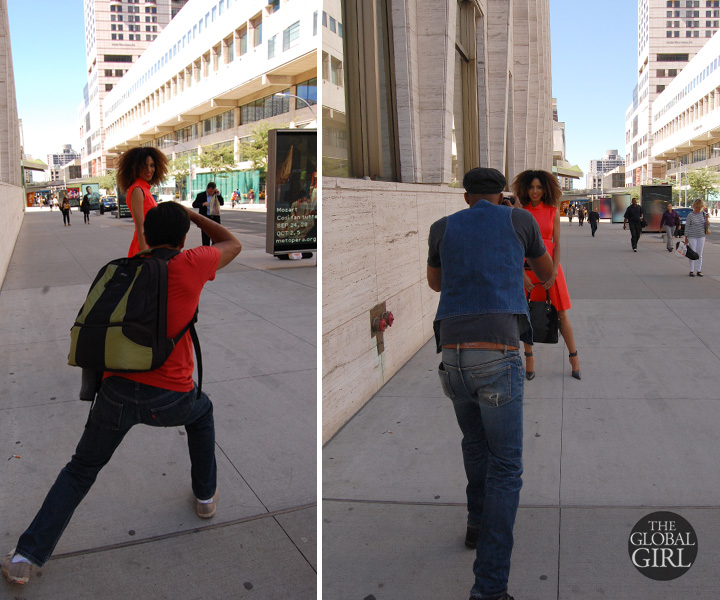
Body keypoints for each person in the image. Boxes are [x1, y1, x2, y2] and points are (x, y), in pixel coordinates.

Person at [1, 201, 242, 586]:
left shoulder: (124, 270)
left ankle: (24, 557)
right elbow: (232, 242)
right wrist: (193, 215)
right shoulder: (191, 263)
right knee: (203, 413)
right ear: (182, 238)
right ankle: (205, 497)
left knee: (81, 469)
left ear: (146, 235)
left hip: (114, 393)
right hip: (172, 397)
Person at [427, 167, 553, 600]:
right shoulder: (521, 221)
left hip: (452, 355)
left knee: (475, 445)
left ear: (465, 197)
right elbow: (547, 273)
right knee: (506, 466)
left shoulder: (442, 227)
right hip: (498, 352)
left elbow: (436, 283)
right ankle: (490, 588)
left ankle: (476, 524)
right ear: (503, 194)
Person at [513, 170, 582, 381]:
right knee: (526, 313)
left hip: (551, 268)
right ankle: (530, 358)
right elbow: (514, 246)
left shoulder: (552, 211)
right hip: (525, 269)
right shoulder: (520, 212)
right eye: (531, 187)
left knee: (561, 314)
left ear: (546, 189)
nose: (535, 191)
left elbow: (557, 244)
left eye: (539, 187)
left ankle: (574, 358)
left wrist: (553, 272)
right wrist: (521, 276)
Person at [116, 146, 169, 257]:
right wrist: (146, 257)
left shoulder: (144, 188)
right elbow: (140, 228)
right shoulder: (137, 190)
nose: (149, 170)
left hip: (151, 244)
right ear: (135, 167)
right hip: (144, 247)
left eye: (152, 165)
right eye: (144, 166)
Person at [192, 182, 224, 246]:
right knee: (205, 238)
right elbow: (194, 205)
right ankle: (206, 252)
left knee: (215, 238)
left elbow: (222, 203)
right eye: (210, 191)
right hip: (205, 218)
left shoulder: (216, 195)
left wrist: (219, 194)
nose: (211, 193)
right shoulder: (201, 195)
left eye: (213, 191)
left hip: (215, 219)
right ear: (207, 189)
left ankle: (213, 252)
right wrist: (203, 204)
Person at [685, 199, 709, 277]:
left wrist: (707, 219)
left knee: (700, 253)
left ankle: (699, 270)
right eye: (698, 207)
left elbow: (707, 226)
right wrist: (686, 237)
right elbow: (687, 226)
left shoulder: (703, 214)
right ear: (695, 206)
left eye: (701, 207)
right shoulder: (690, 215)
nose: (699, 208)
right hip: (692, 236)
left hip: (701, 235)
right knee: (693, 253)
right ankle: (691, 270)